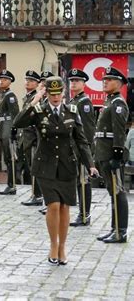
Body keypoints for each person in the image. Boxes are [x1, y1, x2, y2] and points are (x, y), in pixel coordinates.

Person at [13, 76, 97, 265]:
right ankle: (53, 244)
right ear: (47, 93)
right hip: (45, 165)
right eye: (52, 93)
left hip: (67, 165)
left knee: (65, 206)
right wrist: (36, 98)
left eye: (59, 93)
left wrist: (90, 164)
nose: (56, 97)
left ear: (63, 93)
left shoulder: (72, 111)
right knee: (53, 205)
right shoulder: (39, 111)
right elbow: (18, 122)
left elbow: (81, 140)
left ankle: (62, 247)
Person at [95, 67, 129, 244]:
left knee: (118, 191)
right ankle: (114, 228)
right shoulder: (109, 101)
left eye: (109, 79)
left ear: (119, 83)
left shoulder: (118, 104)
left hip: (111, 153)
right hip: (103, 151)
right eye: (104, 79)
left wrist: (117, 154)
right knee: (112, 191)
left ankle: (121, 231)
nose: (105, 82)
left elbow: (119, 132)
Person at [67, 68, 96, 227]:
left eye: (77, 81)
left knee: (83, 181)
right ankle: (82, 213)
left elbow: (88, 129)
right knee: (78, 181)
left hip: (81, 148)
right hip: (73, 147)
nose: (73, 83)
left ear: (84, 83)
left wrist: (86, 151)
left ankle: (85, 215)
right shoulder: (73, 102)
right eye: (71, 81)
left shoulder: (84, 102)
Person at [18, 70, 44, 206]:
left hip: (32, 138)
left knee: (35, 167)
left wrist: (35, 138)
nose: (28, 82)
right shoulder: (28, 97)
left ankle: (37, 195)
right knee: (30, 166)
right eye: (27, 80)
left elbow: (35, 119)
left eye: (31, 81)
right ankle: (35, 193)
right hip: (26, 137)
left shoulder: (36, 98)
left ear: (37, 84)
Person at [0, 70, 20, 195]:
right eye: (1, 79)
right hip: (2, 129)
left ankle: (12, 185)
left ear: (10, 81)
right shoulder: (3, 95)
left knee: (11, 158)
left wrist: (14, 129)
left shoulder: (10, 96)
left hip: (8, 129)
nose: (2, 81)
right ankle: (10, 184)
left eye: (5, 79)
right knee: (7, 158)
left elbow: (15, 114)